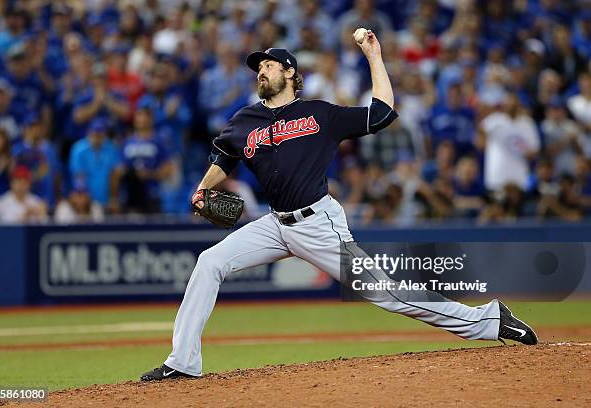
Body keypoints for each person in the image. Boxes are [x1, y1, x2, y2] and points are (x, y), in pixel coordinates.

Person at [141, 32, 538, 382]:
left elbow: (382, 114)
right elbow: (223, 154)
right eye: (257, 67)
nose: (260, 71)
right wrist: (201, 188)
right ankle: (183, 362)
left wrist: (374, 56)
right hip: (274, 224)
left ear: (291, 74)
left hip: (319, 223)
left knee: (387, 295)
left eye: (269, 65)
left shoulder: (320, 114)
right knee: (210, 262)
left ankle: (488, 319)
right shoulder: (245, 119)